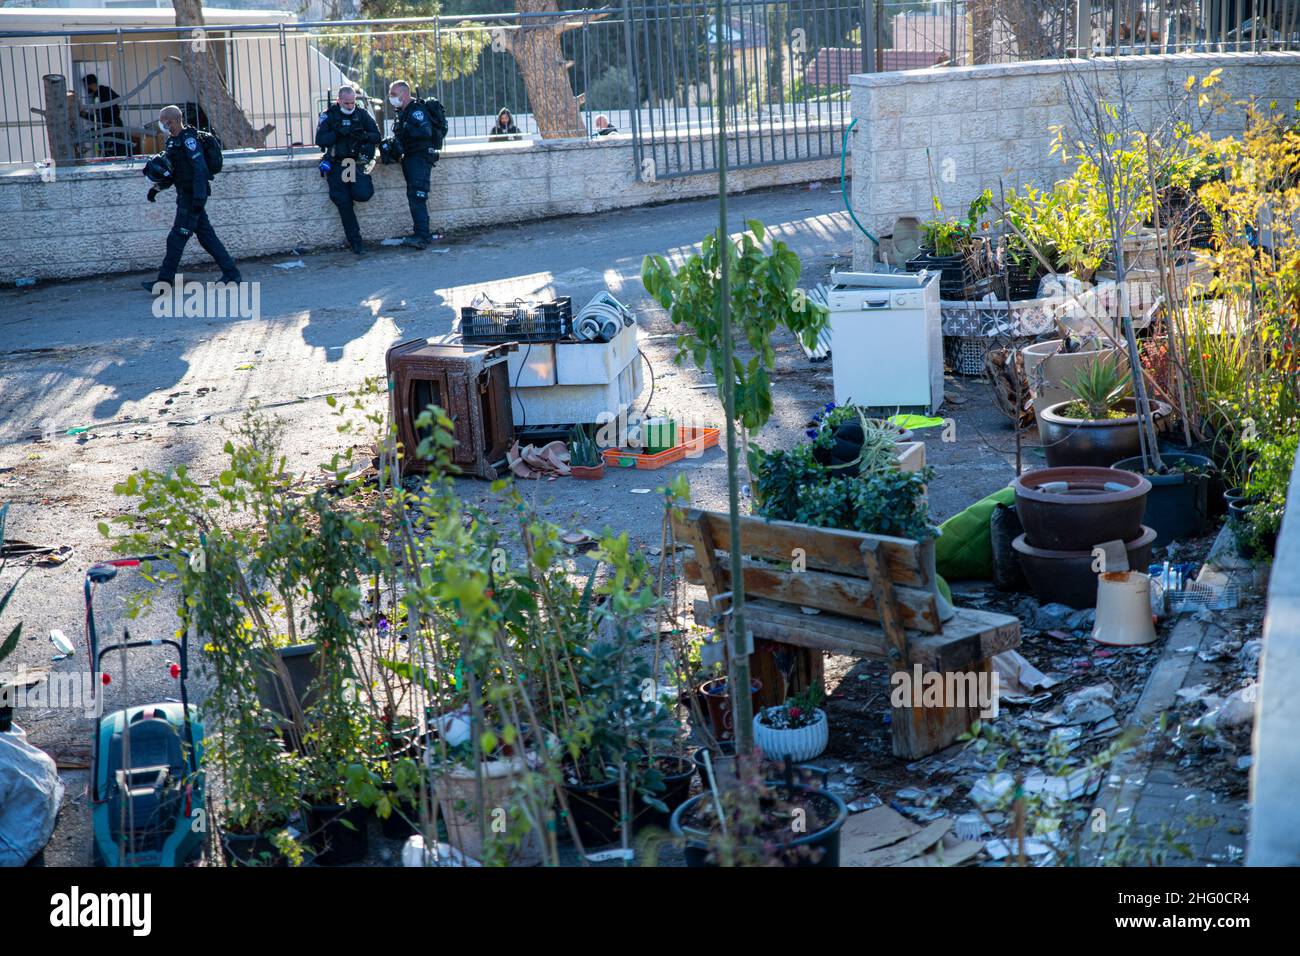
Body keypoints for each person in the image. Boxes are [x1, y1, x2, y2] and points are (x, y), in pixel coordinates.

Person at [142, 105, 240, 293]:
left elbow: (200, 170)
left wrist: (198, 199)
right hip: (185, 194)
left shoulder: (189, 140)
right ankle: (232, 274)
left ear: (170, 121)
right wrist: (157, 188)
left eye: (162, 121)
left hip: (192, 196)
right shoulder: (173, 141)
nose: (161, 125)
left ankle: (163, 283)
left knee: (176, 238)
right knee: (207, 237)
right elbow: (173, 171)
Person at [315, 85, 381, 255]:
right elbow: (320, 140)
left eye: (353, 102)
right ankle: (356, 242)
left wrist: (363, 136)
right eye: (347, 103)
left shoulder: (361, 114)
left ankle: (351, 193)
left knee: (362, 193)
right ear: (339, 101)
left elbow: (377, 136)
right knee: (343, 203)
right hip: (337, 163)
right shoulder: (329, 115)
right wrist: (337, 133)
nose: (350, 106)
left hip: (352, 163)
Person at [387, 80, 447, 249]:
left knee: (418, 196)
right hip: (411, 158)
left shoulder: (416, 110)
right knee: (414, 196)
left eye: (393, 94)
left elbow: (425, 131)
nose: (390, 98)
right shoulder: (403, 112)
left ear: (404, 94)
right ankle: (420, 233)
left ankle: (421, 236)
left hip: (420, 158)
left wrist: (406, 132)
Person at [81, 74, 128, 157]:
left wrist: (84, 115)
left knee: (115, 151)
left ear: (90, 85)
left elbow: (100, 117)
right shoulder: (101, 92)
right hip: (111, 125)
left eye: (86, 85)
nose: (86, 88)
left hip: (111, 126)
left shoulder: (102, 92)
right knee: (115, 150)